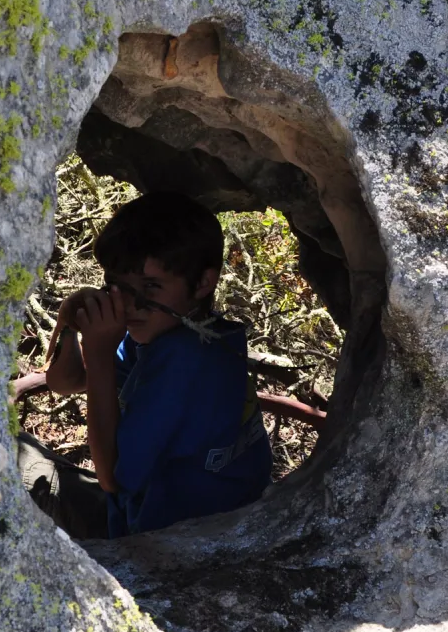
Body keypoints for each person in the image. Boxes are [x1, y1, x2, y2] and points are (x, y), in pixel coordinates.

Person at [19, 191, 272, 539]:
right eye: (116, 286)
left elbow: (111, 478)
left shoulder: (185, 361)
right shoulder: (183, 336)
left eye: (150, 286)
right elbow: (66, 382)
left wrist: (99, 351)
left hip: (168, 544)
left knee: (14, 472)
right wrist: (69, 327)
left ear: (203, 283)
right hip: (157, 517)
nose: (130, 303)